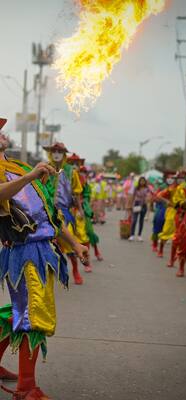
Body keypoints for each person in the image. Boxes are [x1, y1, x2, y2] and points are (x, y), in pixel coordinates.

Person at [0, 119, 88, 399]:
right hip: (22, 252)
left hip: (44, 251)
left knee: (22, 311)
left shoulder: (20, 167)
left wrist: (75, 242)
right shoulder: (19, 173)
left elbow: (49, 214)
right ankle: (27, 387)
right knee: (32, 316)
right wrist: (29, 178)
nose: (2, 133)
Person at [43, 142, 87, 284]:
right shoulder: (44, 168)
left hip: (65, 212)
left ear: (64, 154)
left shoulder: (70, 171)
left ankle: (75, 270)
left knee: (70, 242)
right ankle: (49, 273)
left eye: (59, 151)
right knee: (44, 243)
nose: (56, 153)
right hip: (45, 211)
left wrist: (80, 210)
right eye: (54, 151)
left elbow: (76, 194)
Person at [128, 177, 151, 242]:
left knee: (141, 221)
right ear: (139, 182)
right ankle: (132, 235)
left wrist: (148, 199)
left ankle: (139, 235)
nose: (142, 182)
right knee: (134, 220)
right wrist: (130, 205)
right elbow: (132, 196)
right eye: (141, 181)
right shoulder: (136, 188)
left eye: (143, 181)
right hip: (137, 204)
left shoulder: (147, 189)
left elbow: (149, 197)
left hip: (144, 205)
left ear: (145, 182)